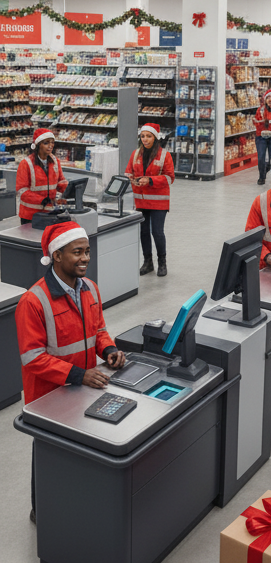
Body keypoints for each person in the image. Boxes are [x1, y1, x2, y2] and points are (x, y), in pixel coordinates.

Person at [15, 221, 127, 524]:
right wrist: (79, 374)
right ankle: (42, 509)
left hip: (82, 388)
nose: (85, 258)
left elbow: (99, 330)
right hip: (49, 396)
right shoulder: (33, 301)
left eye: (87, 251)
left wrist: (108, 350)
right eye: (77, 252)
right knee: (48, 453)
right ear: (57, 256)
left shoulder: (90, 289)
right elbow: (32, 358)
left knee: (79, 451)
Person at [124, 124, 175, 277]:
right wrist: (131, 179)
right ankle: (148, 263)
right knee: (144, 232)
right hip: (141, 201)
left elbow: (169, 177)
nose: (145, 139)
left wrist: (150, 180)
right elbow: (128, 172)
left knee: (157, 232)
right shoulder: (135, 154)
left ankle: (162, 262)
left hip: (159, 201)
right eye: (143, 136)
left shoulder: (165, 155)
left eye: (148, 136)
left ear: (155, 137)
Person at [17, 128, 67, 225]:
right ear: (38, 145)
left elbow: (61, 182)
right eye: (46, 143)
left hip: (51, 212)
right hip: (30, 215)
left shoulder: (55, 161)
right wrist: (41, 200)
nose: (50, 146)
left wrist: (66, 192)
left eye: (52, 143)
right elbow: (22, 190)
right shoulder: (26, 164)